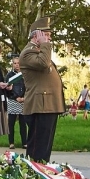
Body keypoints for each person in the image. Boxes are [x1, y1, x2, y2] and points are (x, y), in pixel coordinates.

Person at [20, 17, 65, 163]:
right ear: (36, 35)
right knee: (37, 150)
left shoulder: (39, 51)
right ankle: (33, 175)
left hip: (48, 106)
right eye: (46, 34)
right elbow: (43, 64)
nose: (49, 38)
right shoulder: (28, 52)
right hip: (40, 106)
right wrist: (45, 45)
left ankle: (42, 173)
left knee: (45, 149)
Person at [5, 55, 27, 149]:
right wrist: (16, 97)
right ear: (12, 64)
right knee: (11, 123)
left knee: (23, 123)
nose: (17, 65)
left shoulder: (24, 74)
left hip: (23, 101)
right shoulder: (9, 75)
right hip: (13, 101)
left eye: (18, 63)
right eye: (15, 63)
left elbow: (28, 87)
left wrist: (24, 97)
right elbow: (7, 89)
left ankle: (24, 143)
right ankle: (11, 142)